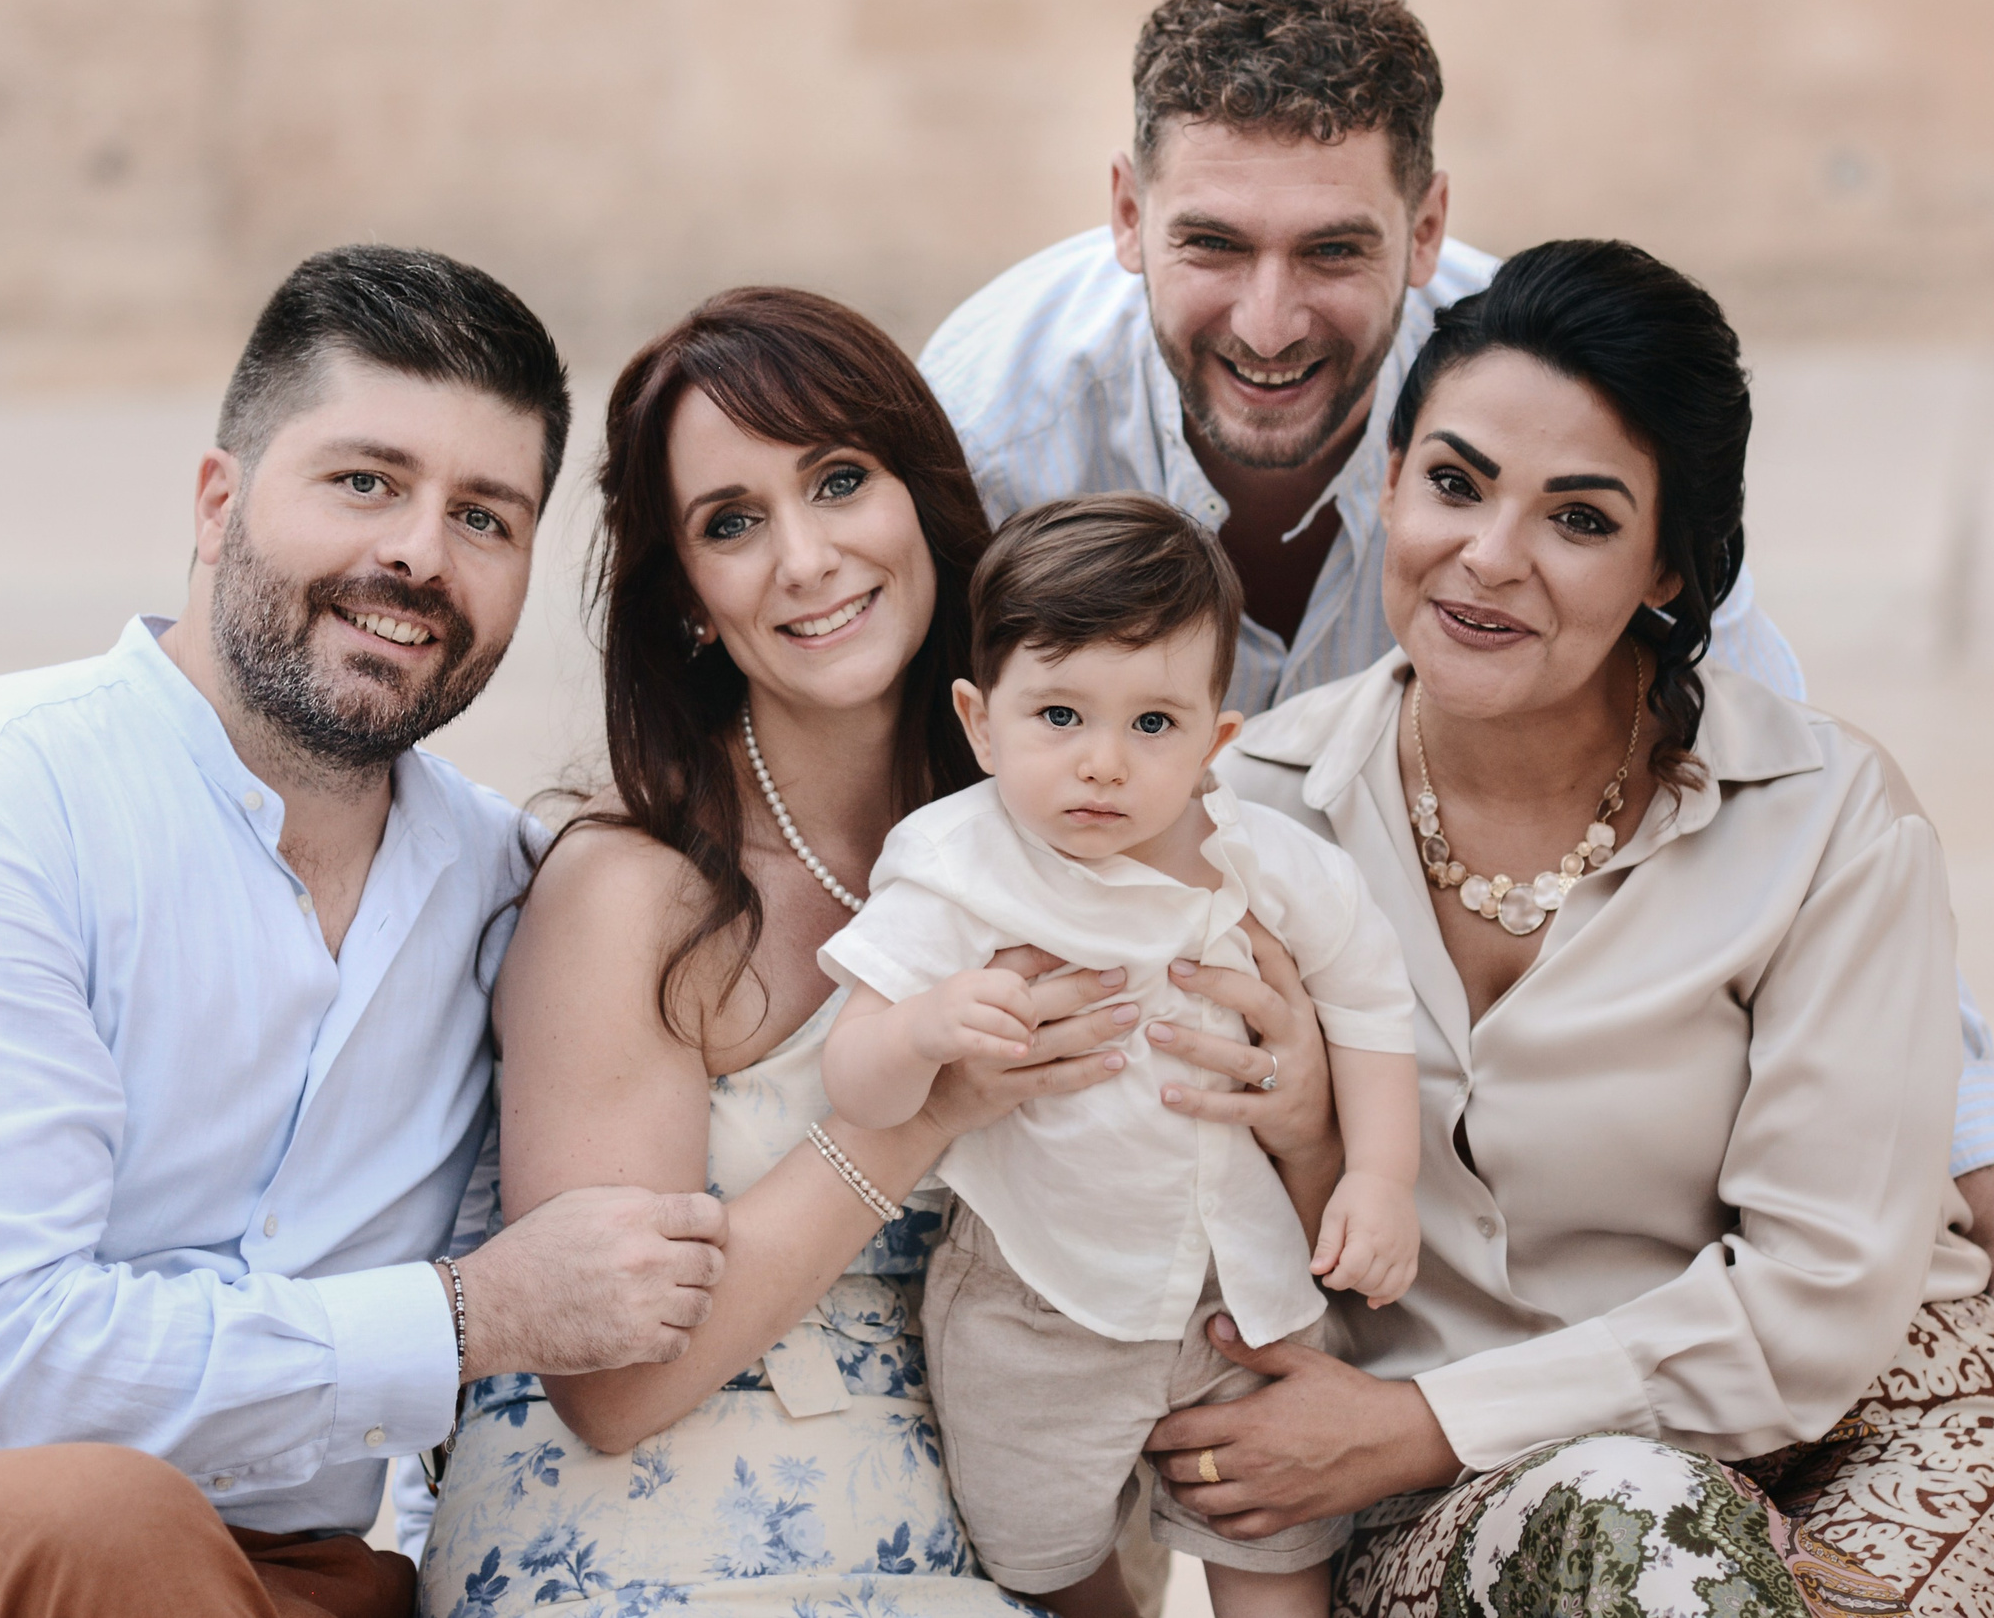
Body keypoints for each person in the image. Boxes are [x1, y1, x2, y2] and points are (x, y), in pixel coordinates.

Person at [917, 0, 1994, 1558]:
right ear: (1126, 213)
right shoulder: (993, 440)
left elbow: (1844, 916)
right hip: (1448, 1400)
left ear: (1425, 235)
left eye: (1337, 250)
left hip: (1751, 1349)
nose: (1272, 319)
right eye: (1212, 242)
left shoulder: (1570, 404)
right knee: (1629, 1542)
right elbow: (916, 843)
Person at [0, 247, 736, 1618]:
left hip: (262, 1566)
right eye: (365, 481)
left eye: (485, 518)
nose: (418, 555)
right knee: (109, 1525)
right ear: (217, 502)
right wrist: (467, 1314)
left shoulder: (507, 888)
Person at [1153, 240, 1994, 1614]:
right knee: (1638, 1528)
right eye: (1454, 484)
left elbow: (1818, 1292)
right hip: (1465, 1499)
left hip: (1875, 1401)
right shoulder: (1244, 824)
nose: (1488, 560)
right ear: (1388, 484)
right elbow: (1215, 1260)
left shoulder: (1827, 819)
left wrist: (1418, 1418)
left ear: (1671, 565)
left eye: (1580, 518)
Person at [415, 289, 1318, 1618]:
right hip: (643, 1557)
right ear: (689, 601)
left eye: (840, 480)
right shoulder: (635, 893)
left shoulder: (1088, 839)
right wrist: (912, 1115)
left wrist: (1298, 1118)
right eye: (732, 523)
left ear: (924, 502)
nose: (807, 557)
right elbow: (609, 1386)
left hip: (964, 1544)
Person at [817, 494, 1421, 1618]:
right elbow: (853, 1077)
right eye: (1058, 714)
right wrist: (924, 1025)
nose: (1102, 763)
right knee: (1044, 1563)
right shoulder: (957, 863)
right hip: (1039, 1295)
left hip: (1243, 1289)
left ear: (1215, 740)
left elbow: (1371, 1006)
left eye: (1152, 724)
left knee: (1276, 1547)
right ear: (980, 718)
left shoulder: (1265, 859)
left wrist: (1380, 1176)